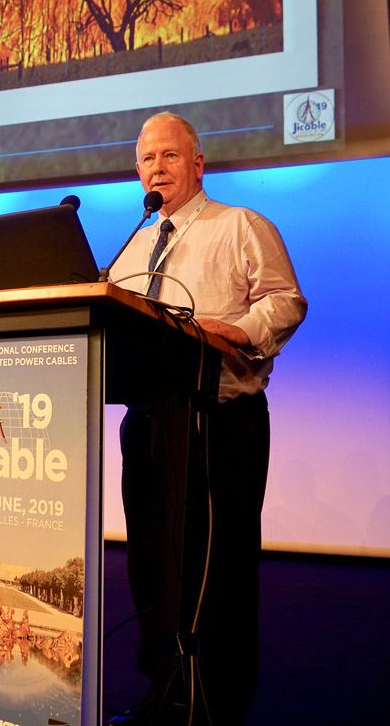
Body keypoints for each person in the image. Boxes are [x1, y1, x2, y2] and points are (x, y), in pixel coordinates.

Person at [108, 112, 307, 725]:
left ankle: (216, 704)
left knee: (219, 570)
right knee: (150, 565)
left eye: (169, 156)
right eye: (147, 159)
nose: (157, 168)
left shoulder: (240, 225)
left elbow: (285, 300)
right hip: (148, 424)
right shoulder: (132, 246)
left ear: (197, 164)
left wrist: (236, 331)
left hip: (220, 422)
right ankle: (163, 691)